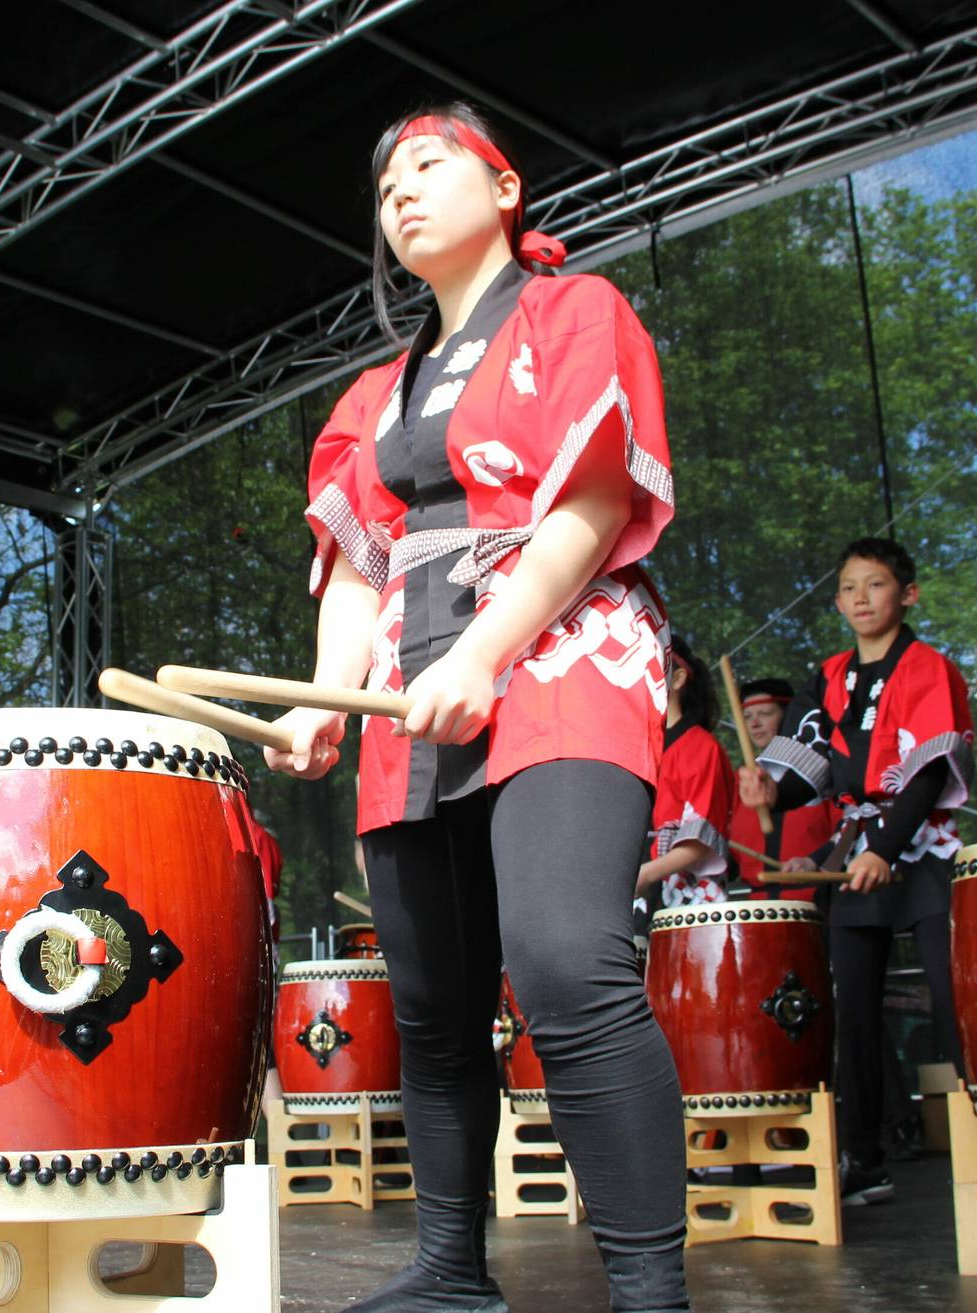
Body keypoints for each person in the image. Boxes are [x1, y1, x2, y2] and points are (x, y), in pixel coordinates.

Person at [267, 102, 689, 1313]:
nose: (399, 191)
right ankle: (450, 1268)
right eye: (384, 182)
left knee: (567, 962)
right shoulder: (371, 394)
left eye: (429, 164)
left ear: (506, 189)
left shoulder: (576, 313)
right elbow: (358, 564)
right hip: (411, 680)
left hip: (559, 647)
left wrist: (487, 650)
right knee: (434, 1006)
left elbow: (594, 503)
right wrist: (330, 699)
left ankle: (651, 1293)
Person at [739, 537, 972, 1205]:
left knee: (953, 997)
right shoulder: (830, 675)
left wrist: (884, 850)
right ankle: (865, 1158)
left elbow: (927, 773)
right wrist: (770, 791)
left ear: (908, 594)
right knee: (855, 1011)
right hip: (859, 846)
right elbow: (808, 770)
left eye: (875, 584)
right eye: (848, 587)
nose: (860, 598)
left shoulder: (928, 667)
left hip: (919, 845)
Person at [635, 636, 735, 920]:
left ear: (678, 679)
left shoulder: (701, 747)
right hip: (640, 886)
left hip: (688, 897)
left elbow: (702, 838)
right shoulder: (639, 746)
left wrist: (645, 874)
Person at [726, 677, 834, 901]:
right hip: (756, 905)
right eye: (747, 716)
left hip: (815, 897)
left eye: (765, 714)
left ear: (789, 716)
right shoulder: (743, 781)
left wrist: (815, 860)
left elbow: (847, 832)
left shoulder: (818, 773)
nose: (754, 724)